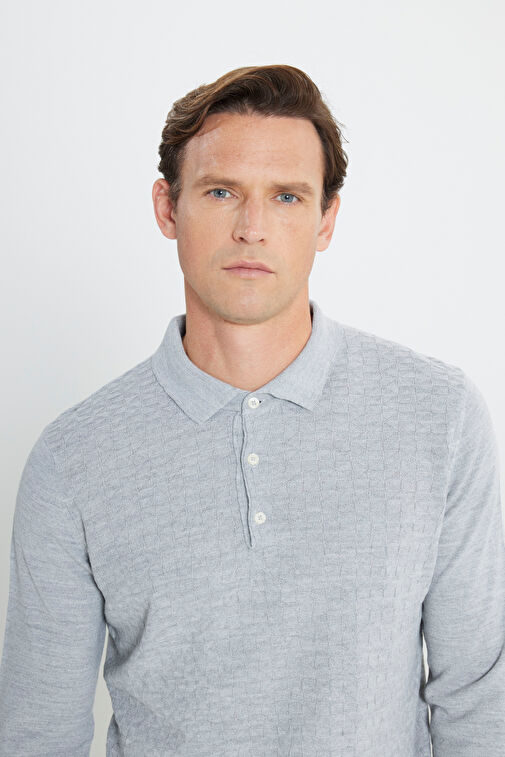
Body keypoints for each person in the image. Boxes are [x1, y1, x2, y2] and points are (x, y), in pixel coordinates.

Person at [0, 64, 504, 756]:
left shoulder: (438, 418)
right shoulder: (73, 459)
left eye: (287, 196)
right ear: (167, 208)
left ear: (326, 219)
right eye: (220, 191)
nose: (252, 228)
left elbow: (479, 701)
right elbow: (39, 733)